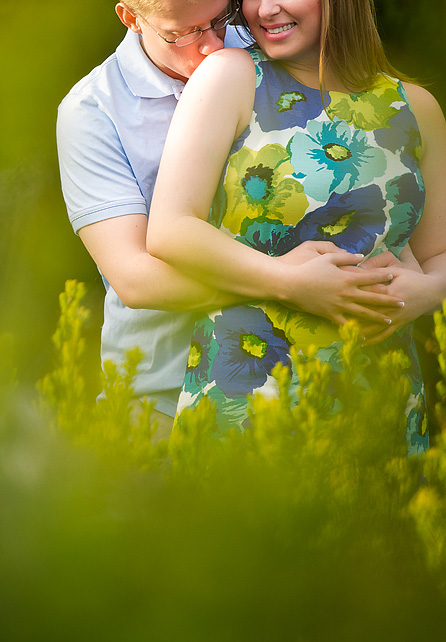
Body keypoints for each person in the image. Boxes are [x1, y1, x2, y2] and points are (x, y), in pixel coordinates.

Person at [56, 0, 406, 439]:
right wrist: (286, 281)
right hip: (158, 393)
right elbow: (135, 278)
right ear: (130, 17)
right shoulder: (92, 111)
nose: (212, 45)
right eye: (183, 34)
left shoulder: (265, 51)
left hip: (287, 377)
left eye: (221, 19)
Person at [145, 0, 446, 452]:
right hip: (248, 391)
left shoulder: (415, 108)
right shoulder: (232, 77)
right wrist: (288, 280)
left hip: (381, 396)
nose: (265, 9)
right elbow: (170, 229)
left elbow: (438, 254)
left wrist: (425, 292)